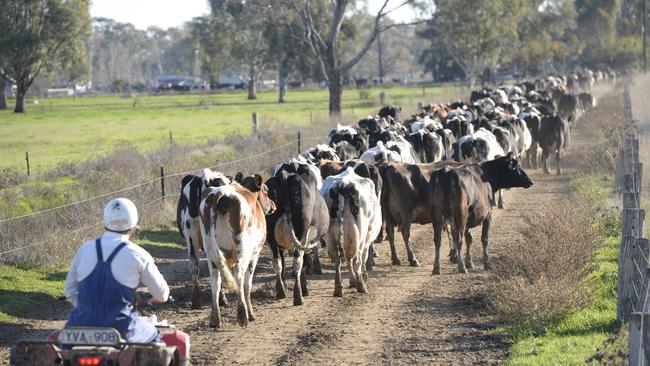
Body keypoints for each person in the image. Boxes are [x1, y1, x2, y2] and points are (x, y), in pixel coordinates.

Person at [64, 198, 170, 343]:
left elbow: (69, 291)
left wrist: (87, 310)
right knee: (156, 334)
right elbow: (163, 294)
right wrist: (154, 298)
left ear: (105, 221)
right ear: (133, 224)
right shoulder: (138, 254)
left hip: (79, 327)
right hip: (122, 329)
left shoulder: (85, 250)